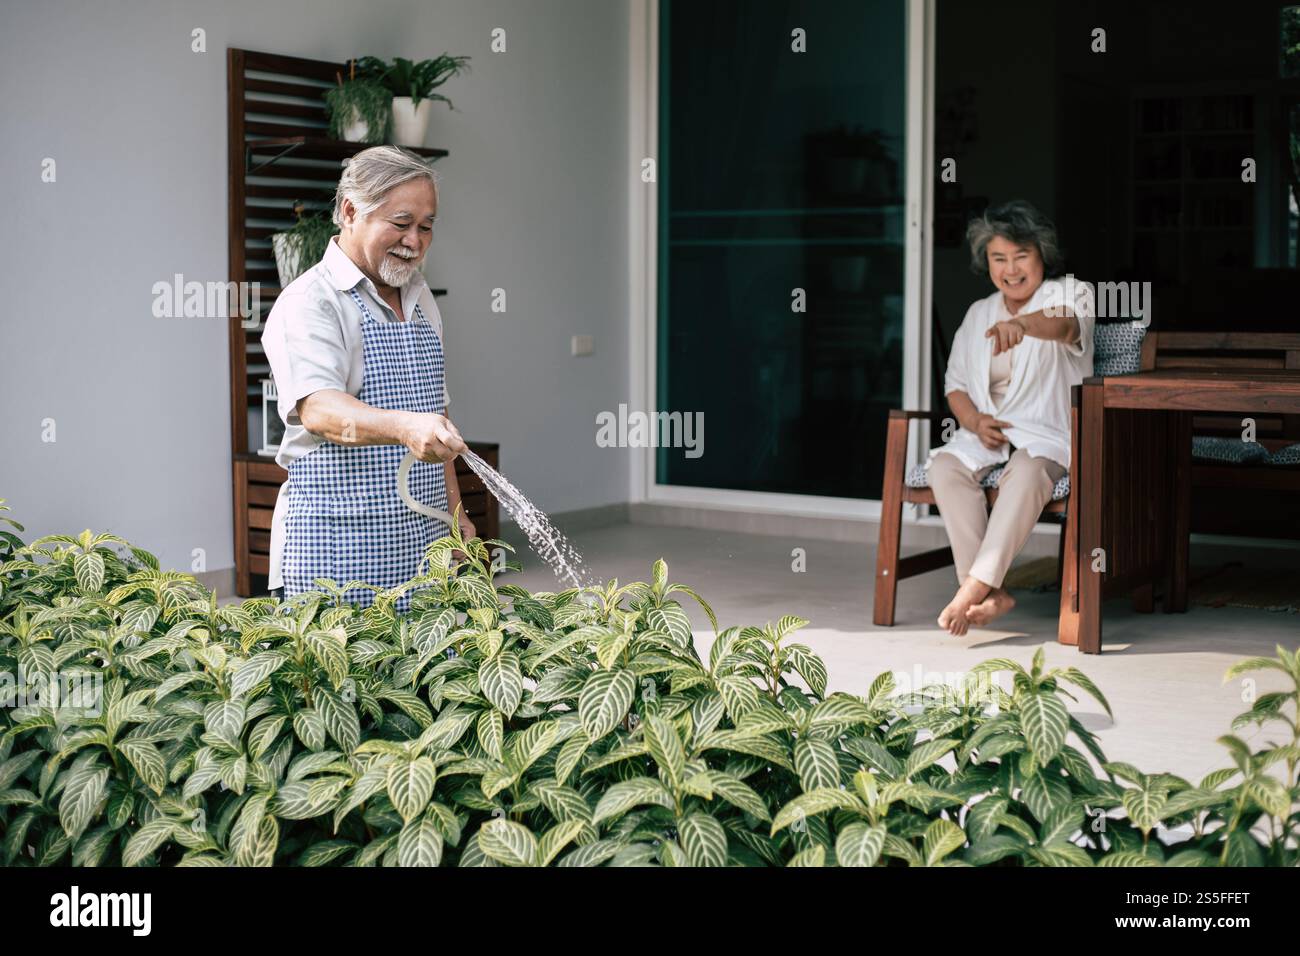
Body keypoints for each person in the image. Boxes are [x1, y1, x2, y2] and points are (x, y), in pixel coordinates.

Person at [261, 146, 473, 610]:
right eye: (400, 223)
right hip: (337, 548)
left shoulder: (420, 300)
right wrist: (404, 427)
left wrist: (455, 515)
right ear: (350, 211)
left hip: (423, 540)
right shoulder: (311, 302)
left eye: (426, 226)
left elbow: (436, 414)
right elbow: (319, 409)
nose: (414, 241)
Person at [927, 200, 1094, 635]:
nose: (1011, 268)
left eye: (1022, 256)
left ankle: (972, 588)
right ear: (987, 262)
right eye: (999, 258)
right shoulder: (979, 312)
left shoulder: (1070, 293)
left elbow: (1064, 326)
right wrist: (974, 420)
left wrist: (1023, 326)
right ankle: (993, 593)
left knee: (1025, 472)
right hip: (989, 436)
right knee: (944, 466)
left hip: (1046, 433)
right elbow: (955, 384)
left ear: (1042, 255)